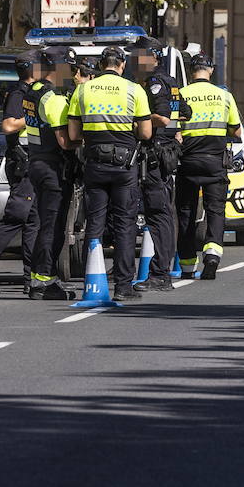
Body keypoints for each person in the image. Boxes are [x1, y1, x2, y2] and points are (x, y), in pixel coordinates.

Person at [67, 46, 152, 302]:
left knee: (95, 221)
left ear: (102, 64)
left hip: (94, 163)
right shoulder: (134, 90)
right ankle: (124, 286)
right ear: (122, 65)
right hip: (125, 165)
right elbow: (146, 133)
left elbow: (73, 135)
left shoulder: (82, 89)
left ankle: (92, 280)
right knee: (125, 225)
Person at [0, 50, 47, 295]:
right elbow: (9, 125)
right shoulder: (19, 94)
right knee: (15, 217)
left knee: (33, 221)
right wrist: (33, 116)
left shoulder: (32, 93)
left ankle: (31, 280)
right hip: (24, 163)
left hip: (33, 162)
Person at [25, 54, 89, 300]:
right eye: (71, 69)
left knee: (43, 223)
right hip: (53, 168)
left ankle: (37, 277)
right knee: (53, 226)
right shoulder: (53, 99)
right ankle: (43, 282)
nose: (73, 74)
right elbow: (64, 141)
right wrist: (88, 140)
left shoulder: (34, 91)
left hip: (38, 162)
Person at [176, 54, 244, 280]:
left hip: (187, 161)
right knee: (216, 210)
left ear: (191, 70)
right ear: (211, 70)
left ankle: (186, 265)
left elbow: (172, 129)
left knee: (185, 211)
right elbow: (236, 131)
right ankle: (212, 256)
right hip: (215, 162)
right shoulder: (224, 96)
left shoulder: (181, 95)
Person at [133, 45, 192, 293]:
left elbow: (164, 117)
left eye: (140, 57)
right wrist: (175, 134)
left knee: (159, 214)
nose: (136, 61)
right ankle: (160, 271)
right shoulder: (172, 82)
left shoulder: (156, 82)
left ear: (154, 58)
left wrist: (137, 118)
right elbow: (185, 113)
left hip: (156, 153)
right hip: (166, 151)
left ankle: (160, 273)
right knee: (163, 213)